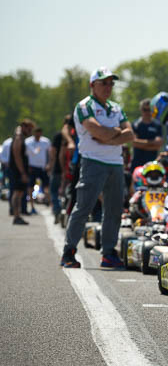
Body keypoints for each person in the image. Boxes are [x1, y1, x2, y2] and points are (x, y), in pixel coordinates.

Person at [60, 67, 134, 268]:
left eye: (111, 83)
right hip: (93, 161)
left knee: (114, 210)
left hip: (115, 163)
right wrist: (115, 134)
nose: (108, 87)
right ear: (93, 85)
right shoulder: (85, 106)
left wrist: (109, 136)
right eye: (104, 83)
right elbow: (95, 130)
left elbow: (130, 134)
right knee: (84, 207)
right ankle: (69, 252)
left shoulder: (116, 107)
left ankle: (108, 252)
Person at [9, 119, 34, 225]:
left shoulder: (19, 136)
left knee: (19, 193)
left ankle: (17, 215)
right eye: (29, 129)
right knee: (17, 192)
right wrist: (22, 172)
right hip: (17, 170)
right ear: (24, 127)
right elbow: (17, 155)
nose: (30, 132)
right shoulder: (19, 137)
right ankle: (16, 216)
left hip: (19, 170)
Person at [49, 115, 72, 223]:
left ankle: (58, 209)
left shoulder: (59, 135)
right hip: (70, 168)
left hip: (60, 168)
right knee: (65, 191)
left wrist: (52, 164)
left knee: (54, 190)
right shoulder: (73, 136)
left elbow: (55, 153)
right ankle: (62, 210)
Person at [131, 99, 163, 170]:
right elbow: (134, 142)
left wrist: (142, 144)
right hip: (137, 164)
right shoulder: (135, 124)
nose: (147, 112)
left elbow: (159, 144)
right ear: (141, 110)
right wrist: (152, 144)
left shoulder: (157, 125)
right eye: (144, 110)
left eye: (149, 110)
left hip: (152, 164)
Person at [25, 126, 51, 213]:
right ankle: (32, 206)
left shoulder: (45, 141)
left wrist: (49, 164)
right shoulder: (28, 142)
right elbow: (28, 154)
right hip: (32, 167)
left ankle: (49, 204)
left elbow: (50, 154)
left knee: (46, 186)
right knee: (31, 187)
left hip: (42, 167)